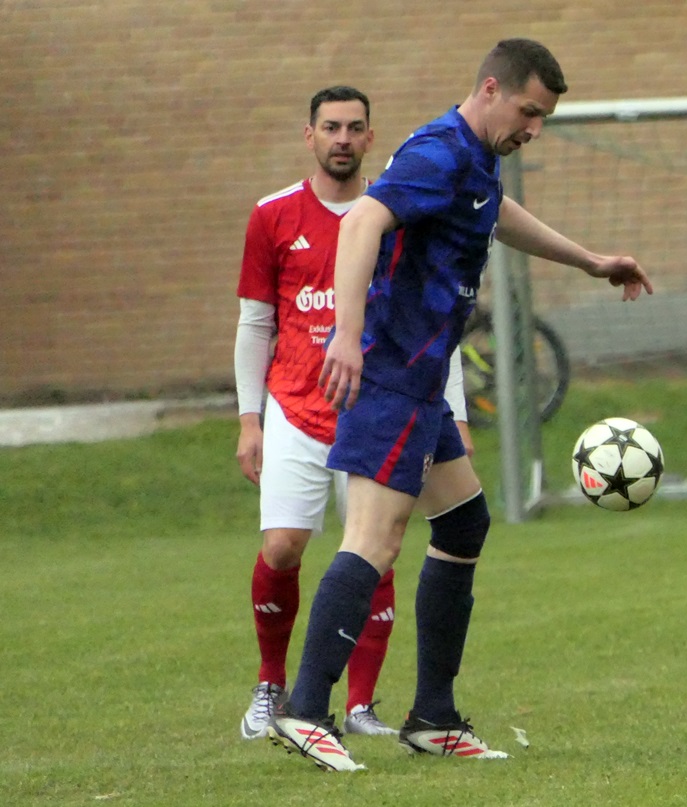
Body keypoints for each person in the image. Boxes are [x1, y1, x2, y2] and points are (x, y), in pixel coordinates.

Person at [267, 39, 652, 772]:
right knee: (373, 541)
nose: (534, 128)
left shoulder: (475, 158)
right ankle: (305, 709)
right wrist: (345, 333)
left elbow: (493, 211)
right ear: (491, 89)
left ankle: (434, 717)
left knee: (464, 520)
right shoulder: (439, 152)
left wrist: (590, 260)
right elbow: (361, 221)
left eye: (542, 118)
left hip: (422, 380)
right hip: (389, 375)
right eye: (529, 111)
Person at [233, 86, 474, 742]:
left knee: (376, 547)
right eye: (331, 127)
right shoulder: (273, 215)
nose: (342, 138)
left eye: (354, 127)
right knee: (283, 545)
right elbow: (255, 323)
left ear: (371, 138)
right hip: (295, 405)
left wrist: (453, 413)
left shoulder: (402, 208)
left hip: (376, 404)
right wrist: (250, 419)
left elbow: (432, 321)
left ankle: (362, 705)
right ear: (309, 135)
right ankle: (272, 686)